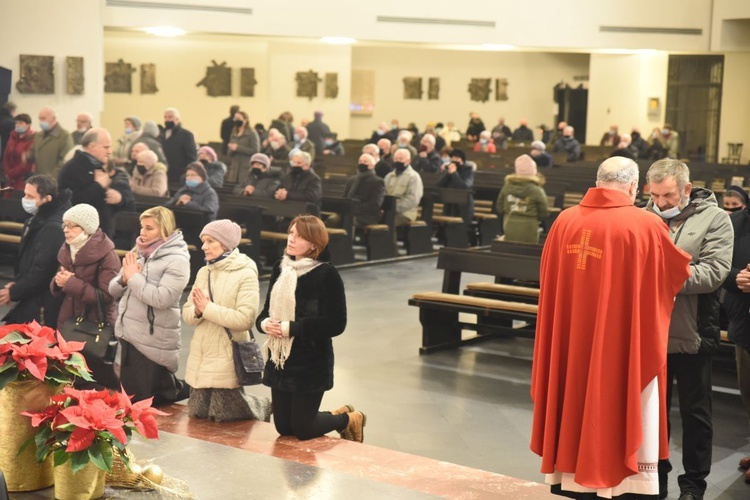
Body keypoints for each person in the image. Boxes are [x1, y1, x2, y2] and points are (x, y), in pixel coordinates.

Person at [531, 156, 692, 499]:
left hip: (572, 342)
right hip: (620, 346)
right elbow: (674, 275)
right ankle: (621, 484)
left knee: (572, 390)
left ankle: (571, 476)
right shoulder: (644, 225)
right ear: (634, 186)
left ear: (598, 180)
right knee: (621, 395)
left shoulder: (563, 221)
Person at [645, 159, 733, 500]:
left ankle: (693, 485)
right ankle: (656, 479)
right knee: (653, 415)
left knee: (696, 415)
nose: (661, 203)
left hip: (693, 330)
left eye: (667, 195)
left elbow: (713, 272)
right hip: (650, 331)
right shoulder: (644, 216)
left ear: (686, 188)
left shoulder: (715, 219)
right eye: (654, 196)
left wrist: (659, 277)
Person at [256, 215, 365, 441]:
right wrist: (265, 323)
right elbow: (266, 310)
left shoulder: (327, 274)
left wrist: (291, 328)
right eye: (291, 233)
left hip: (311, 363)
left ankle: (348, 419)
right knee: (284, 428)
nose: (291, 239)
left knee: (303, 429)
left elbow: (336, 323)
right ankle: (338, 413)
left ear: (314, 243)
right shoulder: (281, 268)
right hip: (280, 360)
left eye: (299, 236)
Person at [183, 220, 272, 422]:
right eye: (203, 241)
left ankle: (263, 406)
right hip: (202, 352)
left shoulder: (245, 272)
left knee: (223, 414)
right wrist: (197, 311)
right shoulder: (204, 272)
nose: (204, 246)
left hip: (226, 352)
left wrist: (208, 309)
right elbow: (187, 313)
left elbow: (245, 319)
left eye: (210, 241)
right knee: (198, 412)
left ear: (226, 244)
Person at [109, 206, 191, 405]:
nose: (142, 233)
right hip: (128, 334)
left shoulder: (177, 260)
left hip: (152, 339)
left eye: (149, 228)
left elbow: (161, 299)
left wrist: (134, 277)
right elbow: (112, 289)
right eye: (142, 227)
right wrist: (125, 280)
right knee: (129, 401)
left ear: (164, 229)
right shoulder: (138, 252)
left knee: (145, 403)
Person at [52, 204, 121, 389]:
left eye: (72, 226)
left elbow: (107, 295)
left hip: (93, 324)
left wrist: (70, 283)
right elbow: (62, 282)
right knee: (67, 375)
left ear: (87, 229)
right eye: (65, 225)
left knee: (92, 379)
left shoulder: (108, 256)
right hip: (68, 320)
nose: (66, 230)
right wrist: (57, 283)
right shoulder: (68, 249)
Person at [1, 175, 71, 327]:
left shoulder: (53, 227)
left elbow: (43, 271)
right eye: (25, 194)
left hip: (42, 303)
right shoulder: (36, 219)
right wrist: (17, 284)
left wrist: (15, 291)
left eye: (30, 196)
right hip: (31, 294)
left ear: (47, 199)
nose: (25, 199)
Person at [722, 200, 750, 485]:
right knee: (748, 393)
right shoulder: (735, 222)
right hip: (744, 323)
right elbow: (719, 265)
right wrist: (736, 277)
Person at [57, 128, 118, 236]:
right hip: (82, 235)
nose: (110, 151)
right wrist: (98, 186)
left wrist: (119, 198)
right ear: (92, 146)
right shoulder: (73, 168)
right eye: (106, 147)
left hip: (99, 234)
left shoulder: (99, 166)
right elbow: (72, 202)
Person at [496, 155, 549, 244]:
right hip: (530, 226)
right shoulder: (536, 190)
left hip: (509, 223)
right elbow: (544, 211)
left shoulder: (507, 187)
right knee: (526, 252)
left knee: (510, 250)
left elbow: (499, 206)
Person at [333, 153, 385, 228]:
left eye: (365, 162)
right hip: (348, 212)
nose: (362, 163)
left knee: (349, 221)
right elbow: (344, 198)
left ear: (372, 166)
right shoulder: (351, 180)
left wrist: (353, 209)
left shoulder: (377, 182)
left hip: (365, 216)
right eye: (360, 161)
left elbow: (375, 204)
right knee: (332, 220)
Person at [28, 106, 73, 177]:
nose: (40, 122)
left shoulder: (64, 136)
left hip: (54, 181)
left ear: (54, 119)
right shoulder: (38, 136)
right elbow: (33, 154)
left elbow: (65, 161)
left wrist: (51, 178)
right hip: (39, 179)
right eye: (39, 119)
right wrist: (27, 156)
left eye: (43, 118)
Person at [384, 149, 423, 227]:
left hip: (406, 213)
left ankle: (391, 239)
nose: (397, 161)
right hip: (388, 211)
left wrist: (395, 208)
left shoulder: (413, 177)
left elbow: (413, 199)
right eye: (396, 159)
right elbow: (383, 193)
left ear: (408, 161)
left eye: (400, 159)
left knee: (389, 223)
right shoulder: (389, 176)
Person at [275, 151, 321, 216]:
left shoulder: (314, 179)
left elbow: (311, 197)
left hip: (306, 214)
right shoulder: (288, 176)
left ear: (307, 165)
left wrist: (287, 195)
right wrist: (279, 194)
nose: (295, 165)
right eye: (293, 162)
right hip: (287, 211)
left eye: (298, 163)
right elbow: (278, 189)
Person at [159, 107, 197, 185]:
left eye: (170, 117)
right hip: (162, 173)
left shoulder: (186, 135)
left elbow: (192, 157)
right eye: (165, 117)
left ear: (177, 119)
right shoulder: (160, 134)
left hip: (179, 175)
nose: (167, 120)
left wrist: (188, 173)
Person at [437, 149, 475, 224]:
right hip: (449, 204)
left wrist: (454, 173)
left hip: (463, 206)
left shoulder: (468, 170)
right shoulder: (449, 169)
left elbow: (463, 186)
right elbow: (439, 184)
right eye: (452, 158)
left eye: (457, 158)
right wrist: (448, 173)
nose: (454, 160)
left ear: (462, 161)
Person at [3, 113, 35, 195]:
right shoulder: (13, 136)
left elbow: (26, 162)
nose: (17, 125)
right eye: (16, 123)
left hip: (22, 179)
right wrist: (7, 172)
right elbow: (6, 156)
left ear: (28, 125)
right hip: (9, 179)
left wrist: (11, 174)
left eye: (20, 123)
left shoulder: (33, 138)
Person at [226, 110, 260, 184]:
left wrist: (238, 148)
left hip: (245, 167)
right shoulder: (234, 132)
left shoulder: (251, 133)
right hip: (234, 167)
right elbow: (229, 152)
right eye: (235, 118)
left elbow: (255, 151)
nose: (236, 120)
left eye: (239, 118)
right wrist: (231, 149)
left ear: (245, 120)